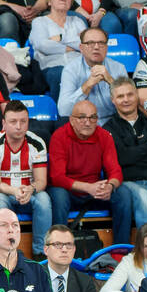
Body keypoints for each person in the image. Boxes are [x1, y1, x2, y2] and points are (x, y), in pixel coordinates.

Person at [48, 99, 136, 242]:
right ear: (72, 120)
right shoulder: (59, 136)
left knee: (123, 194)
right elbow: (57, 177)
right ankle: (59, 245)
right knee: (59, 195)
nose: (88, 123)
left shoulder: (104, 136)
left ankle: (120, 249)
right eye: (82, 117)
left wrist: (110, 186)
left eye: (92, 117)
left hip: (96, 191)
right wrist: (88, 187)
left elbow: (115, 171)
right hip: (69, 191)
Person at [0, 101, 52, 257]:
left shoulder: (37, 143)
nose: (19, 126)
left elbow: (41, 181)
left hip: (29, 193)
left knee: (44, 199)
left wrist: (31, 189)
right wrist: (14, 191)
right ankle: (4, 252)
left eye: (23, 121)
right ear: (4, 123)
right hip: (5, 193)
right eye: (13, 122)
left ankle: (41, 253)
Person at [105, 76, 147, 218]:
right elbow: (122, 158)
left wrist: (132, 153)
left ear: (137, 95)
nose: (126, 100)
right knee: (144, 197)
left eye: (130, 94)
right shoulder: (108, 128)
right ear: (113, 100)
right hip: (125, 184)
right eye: (120, 96)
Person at [28, 0, 87, 100]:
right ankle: (63, 111)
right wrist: (70, 47)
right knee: (61, 74)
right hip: (51, 68)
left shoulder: (78, 21)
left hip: (78, 66)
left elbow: (86, 44)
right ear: (49, 1)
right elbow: (43, 45)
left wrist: (60, 38)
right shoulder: (39, 22)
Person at [57, 26, 127, 121]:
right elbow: (64, 110)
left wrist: (111, 82)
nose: (96, 47)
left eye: (101, 43)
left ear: (106, 48)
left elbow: (129, 106)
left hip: (113, 122)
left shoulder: (118, 68)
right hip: (84, 123)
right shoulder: (70, 70)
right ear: (81, 48)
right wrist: (87, 85)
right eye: (90, 43)